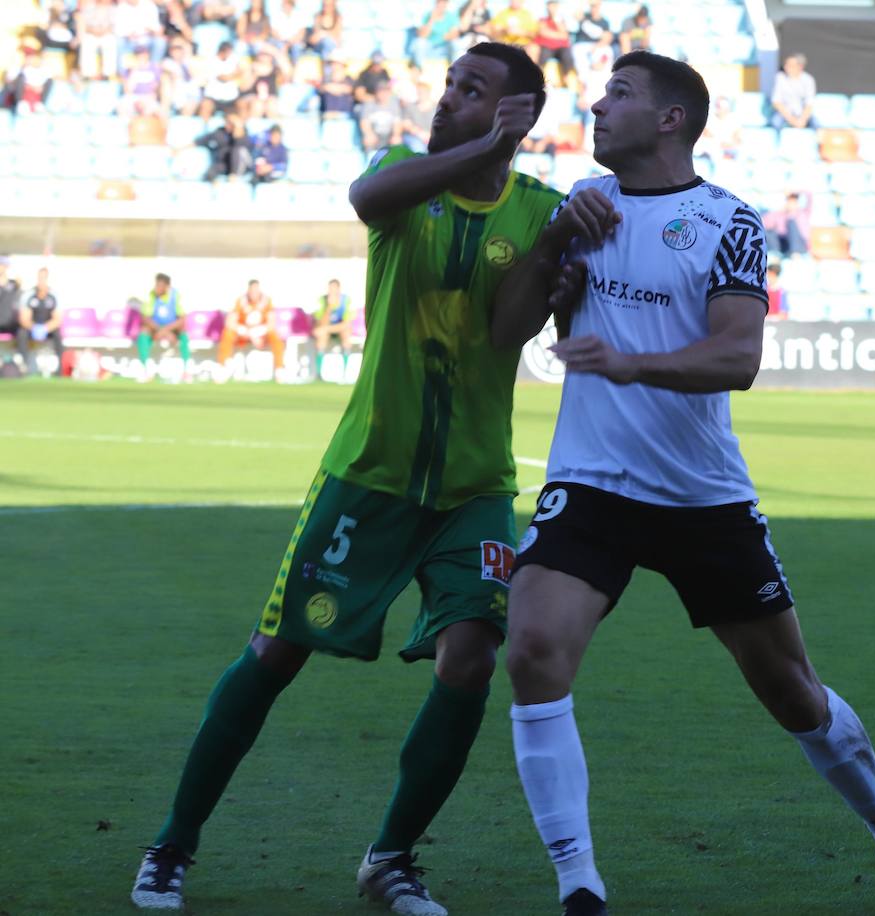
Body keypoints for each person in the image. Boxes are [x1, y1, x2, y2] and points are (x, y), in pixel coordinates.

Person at [489, 49, 875, 916]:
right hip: (592, 483)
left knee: (790, 689)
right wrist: (554, 246)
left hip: (699, 494)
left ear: (671, 119)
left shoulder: (727, 221)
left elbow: (738, 355)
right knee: (532, 652)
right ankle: (578, 888)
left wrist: (630, 362)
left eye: (619, 94)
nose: (597, 107)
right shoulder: (585, 208)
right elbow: (507, 330)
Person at [130, 41, 566, 916]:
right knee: (278, 652)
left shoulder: (539, 213)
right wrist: (479, 150)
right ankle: (171, 845)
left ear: (518, 113)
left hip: (475, 484)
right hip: (368, 473)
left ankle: (391, 860)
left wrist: (560, 255)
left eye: (471, 91)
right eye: (447, 84)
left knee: (472, 658)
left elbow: (504, 336)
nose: (447, 99)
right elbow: (366, 200)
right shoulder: (405, 173)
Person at [217, 278, 285, 376]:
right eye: (252, 291)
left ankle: (279, 369)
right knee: (227, 333)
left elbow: (271, 323)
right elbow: (230, 322)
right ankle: (223, 367)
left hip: (261, 334)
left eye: (256, 290)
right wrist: (246, 332)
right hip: (243, 333)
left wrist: (257, 333)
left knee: (275, 336)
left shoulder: (267, 301)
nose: (254, 293)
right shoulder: (241, 301)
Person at [137, 272, 193, 379]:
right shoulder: (151, 295)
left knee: (183, 331)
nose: (157, 288)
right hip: (156, 328)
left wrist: (166, 331)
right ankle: (145, 368)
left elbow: (182, 319)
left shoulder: (176, 296)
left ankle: (186, 369)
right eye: (156, 285)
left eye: (160, 285)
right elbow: (145, 318)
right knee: (143, 331)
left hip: (171, 328)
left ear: (167, 287)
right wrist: (160, 330)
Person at [18, 267, 62, 376]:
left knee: (58, 334)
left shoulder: (54, 296)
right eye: (39, 278)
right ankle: (26, 366)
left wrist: (45, 328)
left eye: (44, 278)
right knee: (21, 334)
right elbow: (24, 319)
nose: (41, 281)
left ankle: (59, 369)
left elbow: (57, 319)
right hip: (32, 327)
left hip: (48, 328)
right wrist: (34, 328)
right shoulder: (29, 295)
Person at [311, 277, 354, 375]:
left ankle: (345, 373)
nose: (332, 292)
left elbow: (346, 323)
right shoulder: (322, 300)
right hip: (326, 329)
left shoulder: (346, 300)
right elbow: (321, 323)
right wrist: (329, 307)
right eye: (330, 289)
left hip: (338, 328)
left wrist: (326, 329)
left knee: (346, 334)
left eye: (334, 289)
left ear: (339, 289)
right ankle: (319, 373)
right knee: (321, 337)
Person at [770, 52, 815, 130]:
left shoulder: (808, 79)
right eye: (786, 65)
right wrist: (792, 120)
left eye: (790, 65)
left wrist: (802, 120)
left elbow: (809, 103)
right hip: (784, 115)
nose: (786, 67)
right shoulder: (780, 78)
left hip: (802, 115)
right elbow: (776, 102)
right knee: (775, 122)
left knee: (817, 124)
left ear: (800, 67)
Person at [360, 81, 405, 153]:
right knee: (368, 140)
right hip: (374, 134)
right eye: (381, 92)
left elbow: (397, 123)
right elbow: (364, 122)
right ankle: (370, 161)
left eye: (385, 91)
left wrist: (396, 135)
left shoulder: (394, 104)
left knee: (397, 141)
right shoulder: (369, 104)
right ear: (376, 93)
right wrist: (369, 133)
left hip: (388, 135)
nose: (383, 94)